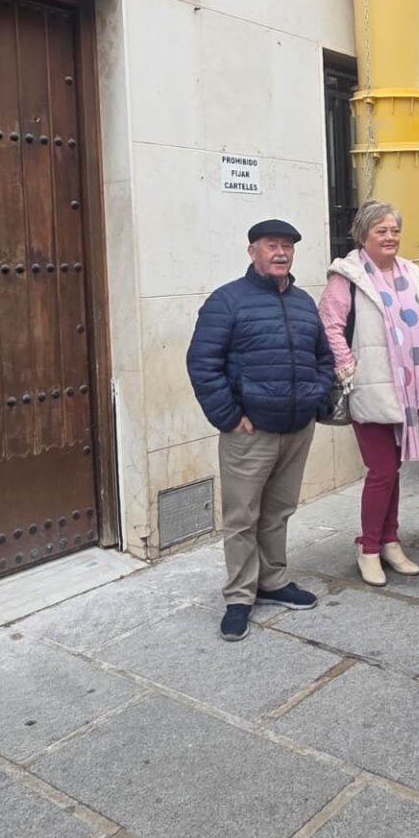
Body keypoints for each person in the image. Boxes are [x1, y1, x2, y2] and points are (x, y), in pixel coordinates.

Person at [186, 219, 333, 642]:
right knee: (242, 516)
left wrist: (316, 398)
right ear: (253, 251)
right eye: (272, 245)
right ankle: (238, 596)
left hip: (297, 428)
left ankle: (272, 580)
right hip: (250, 433)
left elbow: (323, 357)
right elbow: (202, 364)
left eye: (288, 246)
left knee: (278, 511)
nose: (281, 252)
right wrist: (230, 417)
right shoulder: (226, 301)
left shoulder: (303, 302)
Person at [320, 201, 419, 587]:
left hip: (407, 391)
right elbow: (329, 324)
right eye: (381, 231)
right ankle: (369, 547)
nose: (390, 237)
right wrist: (349, 368)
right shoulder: (348, 277)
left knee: (392, 471)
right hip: (370, 389)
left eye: (394, 230)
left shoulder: (412, 273)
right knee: (382, 471)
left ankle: (390, 541)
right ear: (363, 235)